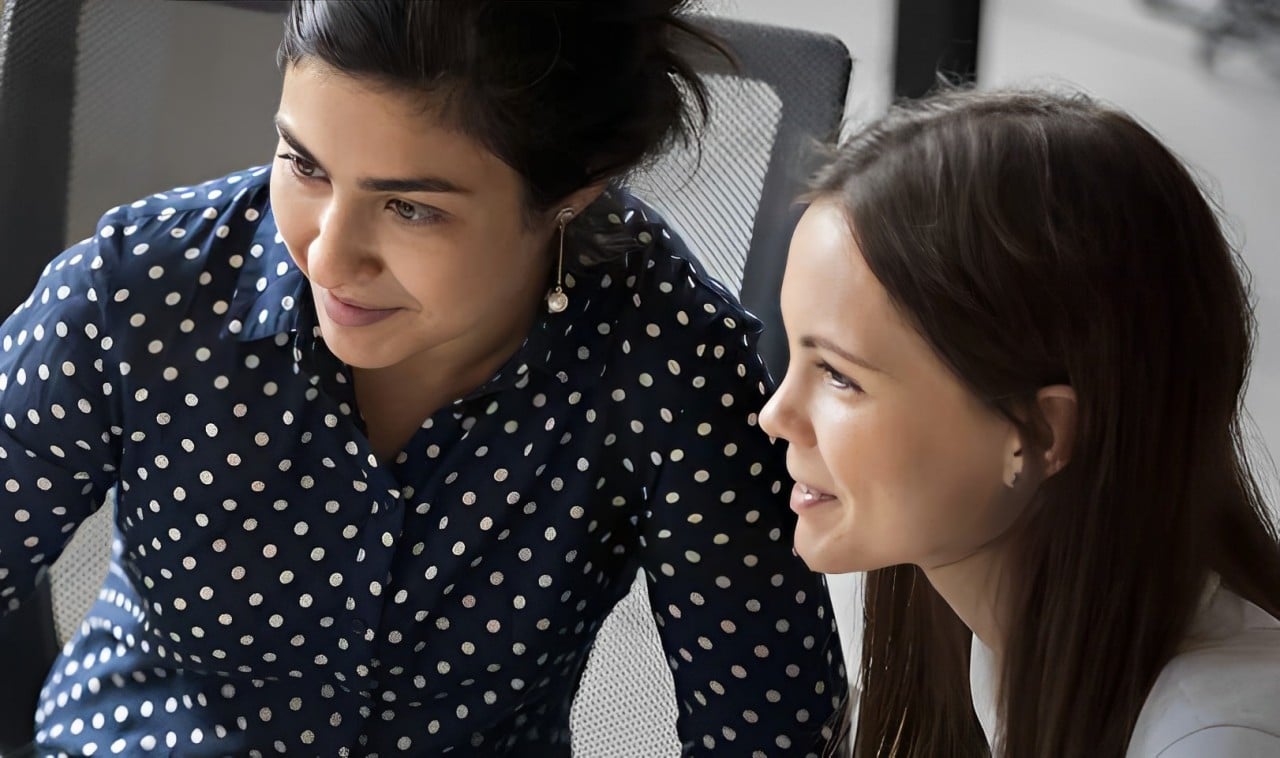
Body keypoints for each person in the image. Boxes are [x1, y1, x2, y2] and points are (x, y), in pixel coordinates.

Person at [0, 1, 847, 755]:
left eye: (411, 208)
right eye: (305, 165)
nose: (327, 256)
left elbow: (769, 725)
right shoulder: (139, 292)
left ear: (572, 193)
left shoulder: (667, 361)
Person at [760, 88, 1280, 757]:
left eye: (840, 376)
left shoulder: (1217, 740)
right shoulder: (988, 626)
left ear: (1040, 433)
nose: (777, 415)